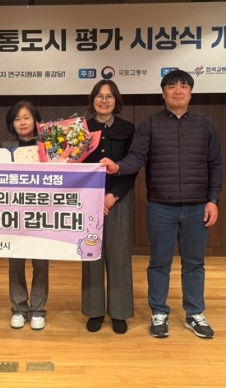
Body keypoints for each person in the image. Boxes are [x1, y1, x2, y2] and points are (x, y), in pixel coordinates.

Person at [101, 69, 222, 339]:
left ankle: (194, 313)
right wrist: (118, 166)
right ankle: (159, 312)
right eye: (172, 86)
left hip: (197, 207)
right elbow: (136, 157)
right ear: (163, 93)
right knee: (159, 263)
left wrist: (213, 200)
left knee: (194, 263)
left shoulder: (205, 125)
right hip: (160, 206)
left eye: (183, 86)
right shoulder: (150, 125)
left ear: (191, 93)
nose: (178, 91)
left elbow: (215, 165)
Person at [81, 80, 137, 334]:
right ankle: (94, 311)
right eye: (99, 96)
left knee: (119, 255)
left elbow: (132, 165)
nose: (104, 101)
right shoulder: (81, 129)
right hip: (87, 200)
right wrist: (92, 197)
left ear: (116, 101)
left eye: (109, 96)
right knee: (91, 252)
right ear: (92, 99)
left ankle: (119, 312)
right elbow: (73, 165)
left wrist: (113, 195)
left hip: (119, 199)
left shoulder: (128, 128)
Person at [1, 101, 49, 330]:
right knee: (15, 263)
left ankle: (38, 310)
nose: (22, 122)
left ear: (36, 121)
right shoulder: (4, 148)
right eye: (17, 118)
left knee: (41, 263)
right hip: (14, 214)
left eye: (27, 117)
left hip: (42, 213)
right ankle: (19, 308)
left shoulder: (48, 147)